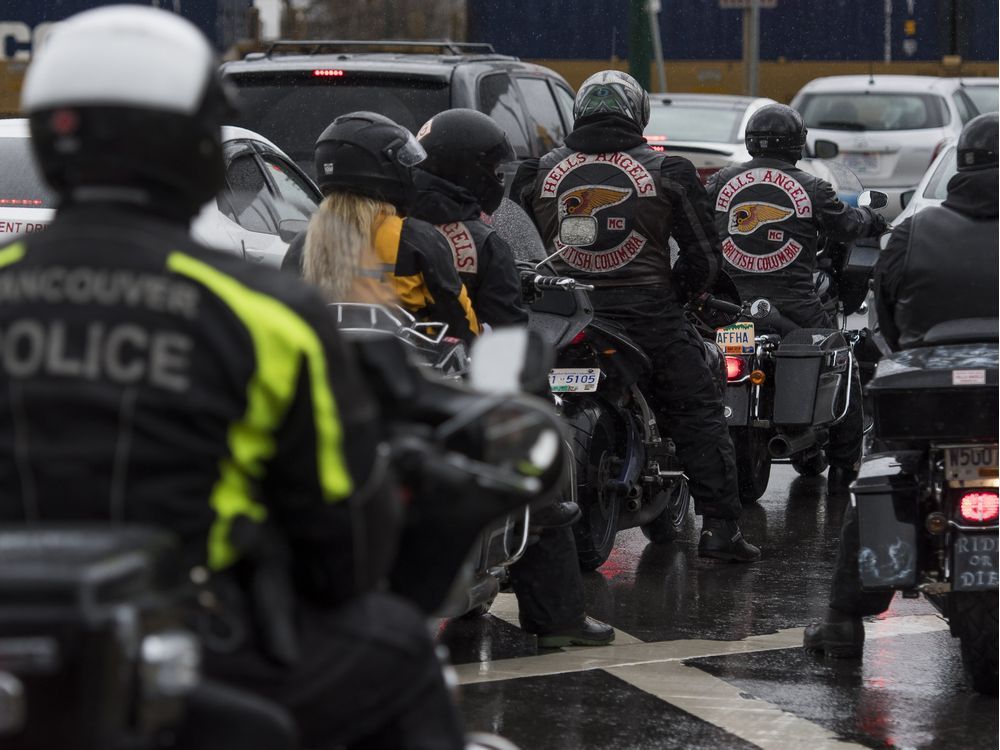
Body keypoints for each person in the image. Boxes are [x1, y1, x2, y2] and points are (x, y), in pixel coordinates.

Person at [1, 7, 468, 749]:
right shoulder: (266, 314)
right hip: (195, 653)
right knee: (400, 645)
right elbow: (342, 546)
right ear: (199, 149)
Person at [513, 70, 760, 563]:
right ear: (639, 113)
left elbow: (523, 243)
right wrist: (678, 296)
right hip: (647, 314)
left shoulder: (537, 171)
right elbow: (704, 260)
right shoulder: (669, 171)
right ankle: (719, 529)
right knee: (697, 411)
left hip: (561, 314)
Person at [412, 108, 613, 646]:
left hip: (375, 396)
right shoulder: (478, 240)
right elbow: (506, 337)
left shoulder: (372, 228)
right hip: (459, 397)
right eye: (494, 171)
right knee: (544, 465)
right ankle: (556, 618)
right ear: (470, 170)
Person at [803, 112, 999, 658]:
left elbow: (882, 323)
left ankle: (843, 622)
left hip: (928, 394)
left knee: (884, 472)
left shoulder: (915, 230)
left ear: (963, 165)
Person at [705, 103, 887, 489]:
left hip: (727, 304)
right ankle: (843, 465)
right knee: (842, 361)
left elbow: (694, 222)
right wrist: (873, 219)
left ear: (751, 142)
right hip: (793, 304)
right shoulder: (812, 186)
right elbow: (848, 226)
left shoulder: (721, 181)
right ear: (796, 144)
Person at [281, 111, 480, 344]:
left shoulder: (303, 243)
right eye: (402, 163)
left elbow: (282, 317)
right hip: (404, 371)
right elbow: (461, 321)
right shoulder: (416, 238)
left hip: (326, 366)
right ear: (383, 169)